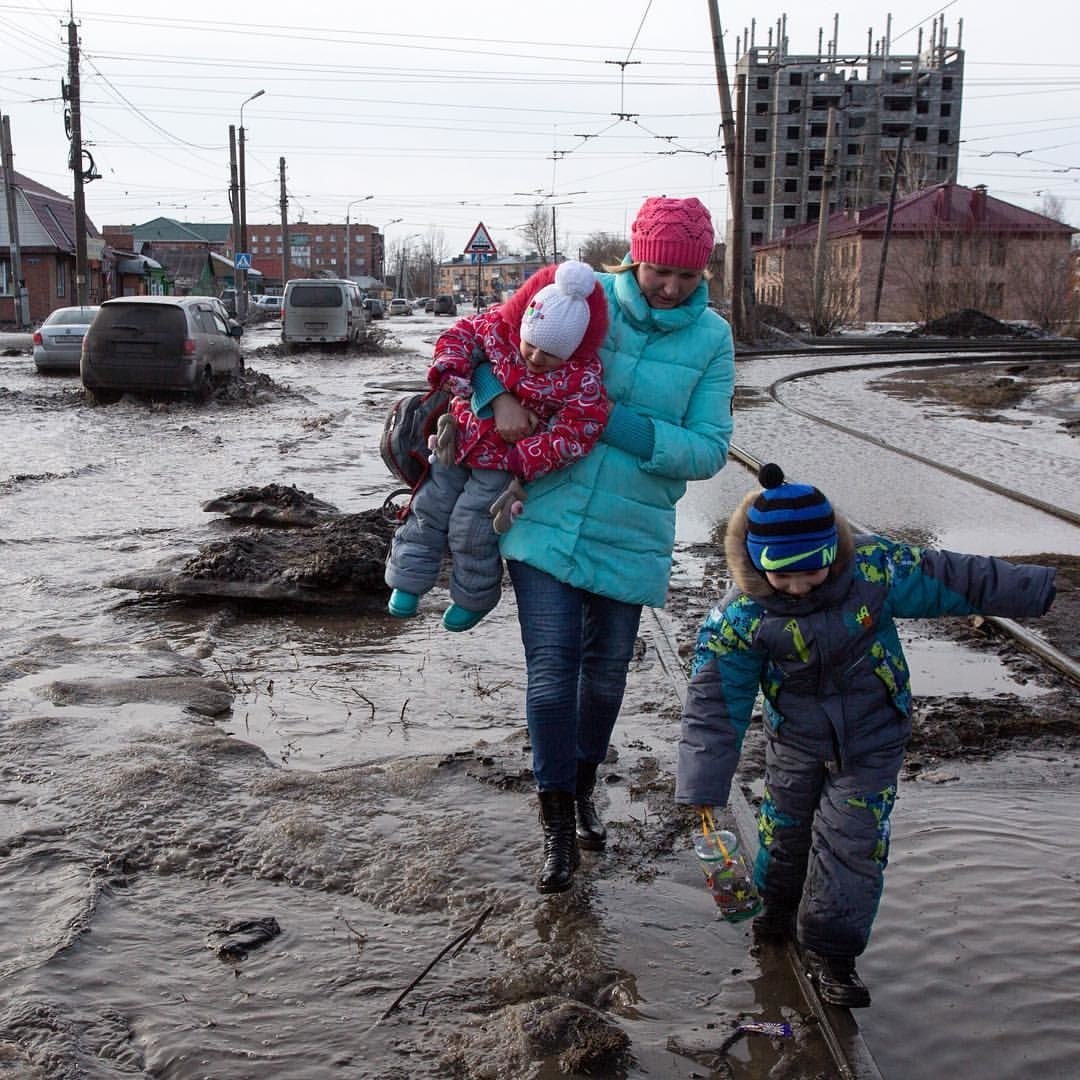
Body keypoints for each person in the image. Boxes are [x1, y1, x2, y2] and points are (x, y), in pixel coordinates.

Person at [676, 463, 1057, 1008]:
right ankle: (774, 919)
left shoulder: (875, 572)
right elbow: (714, 705)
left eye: (813, 570)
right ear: (759, 564)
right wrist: (703, 786)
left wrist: (1038, 586)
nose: (800, 585)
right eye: (784, 575)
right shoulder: (741, 618)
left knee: (853, 843)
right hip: (796, 744)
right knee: (785, 837)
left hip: (872, 737)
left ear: (834, 552)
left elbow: (955, 577)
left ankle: (833, 954)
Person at [469, 196, 735, 893]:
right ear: (634, 258)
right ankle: (556, 822)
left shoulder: (711, 339)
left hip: (634, 529)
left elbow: (709, 450)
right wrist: (494, 398)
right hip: (545, 513)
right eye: (657, 271)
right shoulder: (580, 295)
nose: (669, 287)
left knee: (606, 676)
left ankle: (583, 782)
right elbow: (483, 340)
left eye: (684, 276)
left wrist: (609, 422)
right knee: (553, 671)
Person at [384, 260, 609, 632]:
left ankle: (474, 597)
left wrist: (526, 456)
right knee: (428, 508)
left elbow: (580, 431)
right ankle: (406, 582)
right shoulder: (498, 329)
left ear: (572, 352)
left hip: (502, 464)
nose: (535, 358)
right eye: (531, 346)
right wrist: (452, 369)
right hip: (453, 443)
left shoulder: (581, 378)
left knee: (471, 526)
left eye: (550, 355)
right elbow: (457, 336)